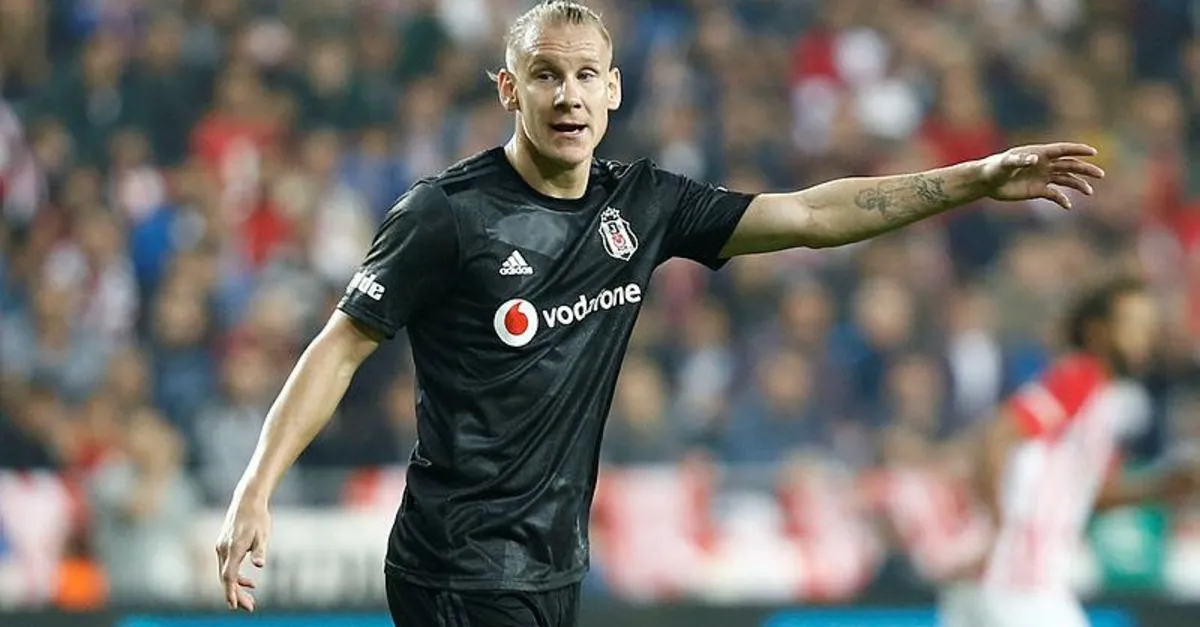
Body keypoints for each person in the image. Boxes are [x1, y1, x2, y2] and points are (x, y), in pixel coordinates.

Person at [214, 1, 1107, 625]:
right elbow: (340, 346)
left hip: (552, 562)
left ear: (614, 90)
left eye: (584, 76)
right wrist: (256, 488)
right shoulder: (445, 214)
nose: (567, 95)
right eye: (544, 76)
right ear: (508, 90)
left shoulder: (641, 204)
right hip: (457, 562)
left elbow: (809, 213)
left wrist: (972, 179)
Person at [940, 276, 1200, 627]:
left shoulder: (1104, 402)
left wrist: (1163, 487)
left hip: (1014, 579)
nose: (1145, 338)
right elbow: (998, 436)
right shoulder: (1080, 377)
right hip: (1019, 579)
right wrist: (999, 528)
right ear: (1097, 332)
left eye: (1149, 327)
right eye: (1133, 326)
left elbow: (1095, 494)